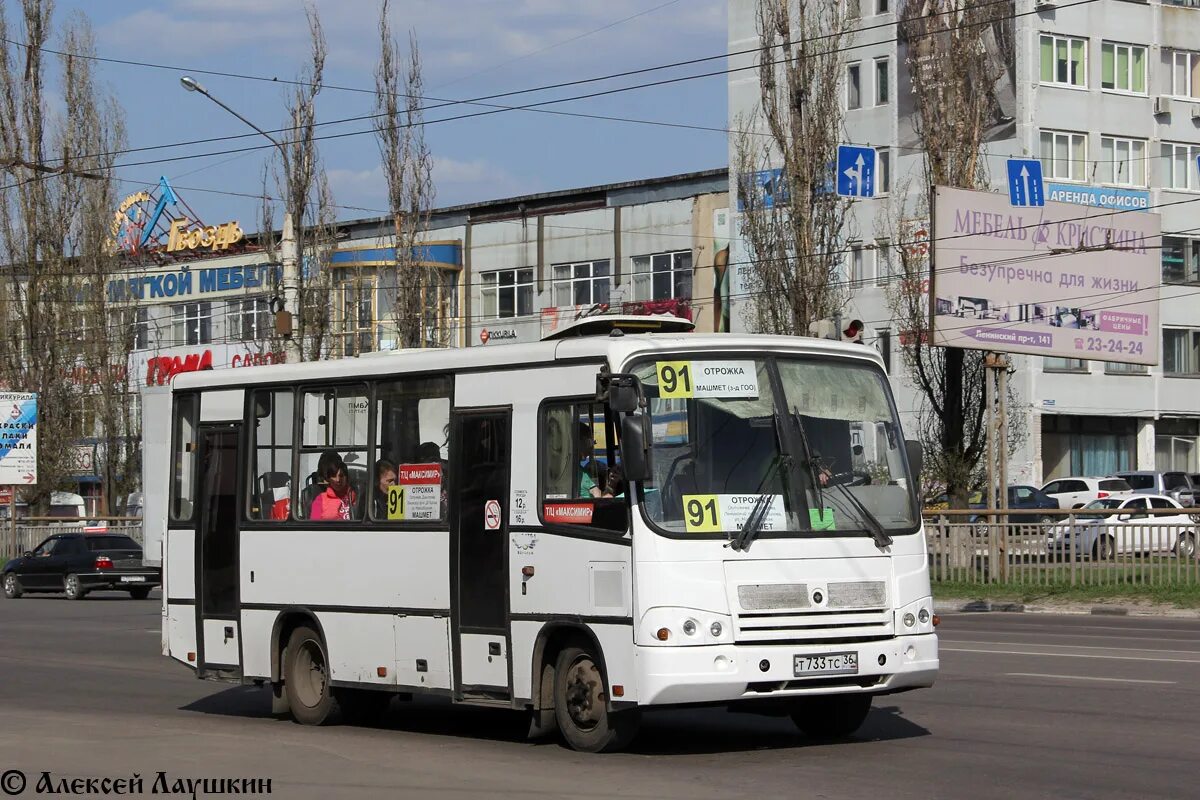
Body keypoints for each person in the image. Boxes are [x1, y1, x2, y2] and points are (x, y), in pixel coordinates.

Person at [310, 454, 357, 521]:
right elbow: (313, 526)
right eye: (333, 476)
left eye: (341, 475)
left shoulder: (356, 495)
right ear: (328, 479)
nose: (338, 480)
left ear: (347, 477)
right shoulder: (320, 499)